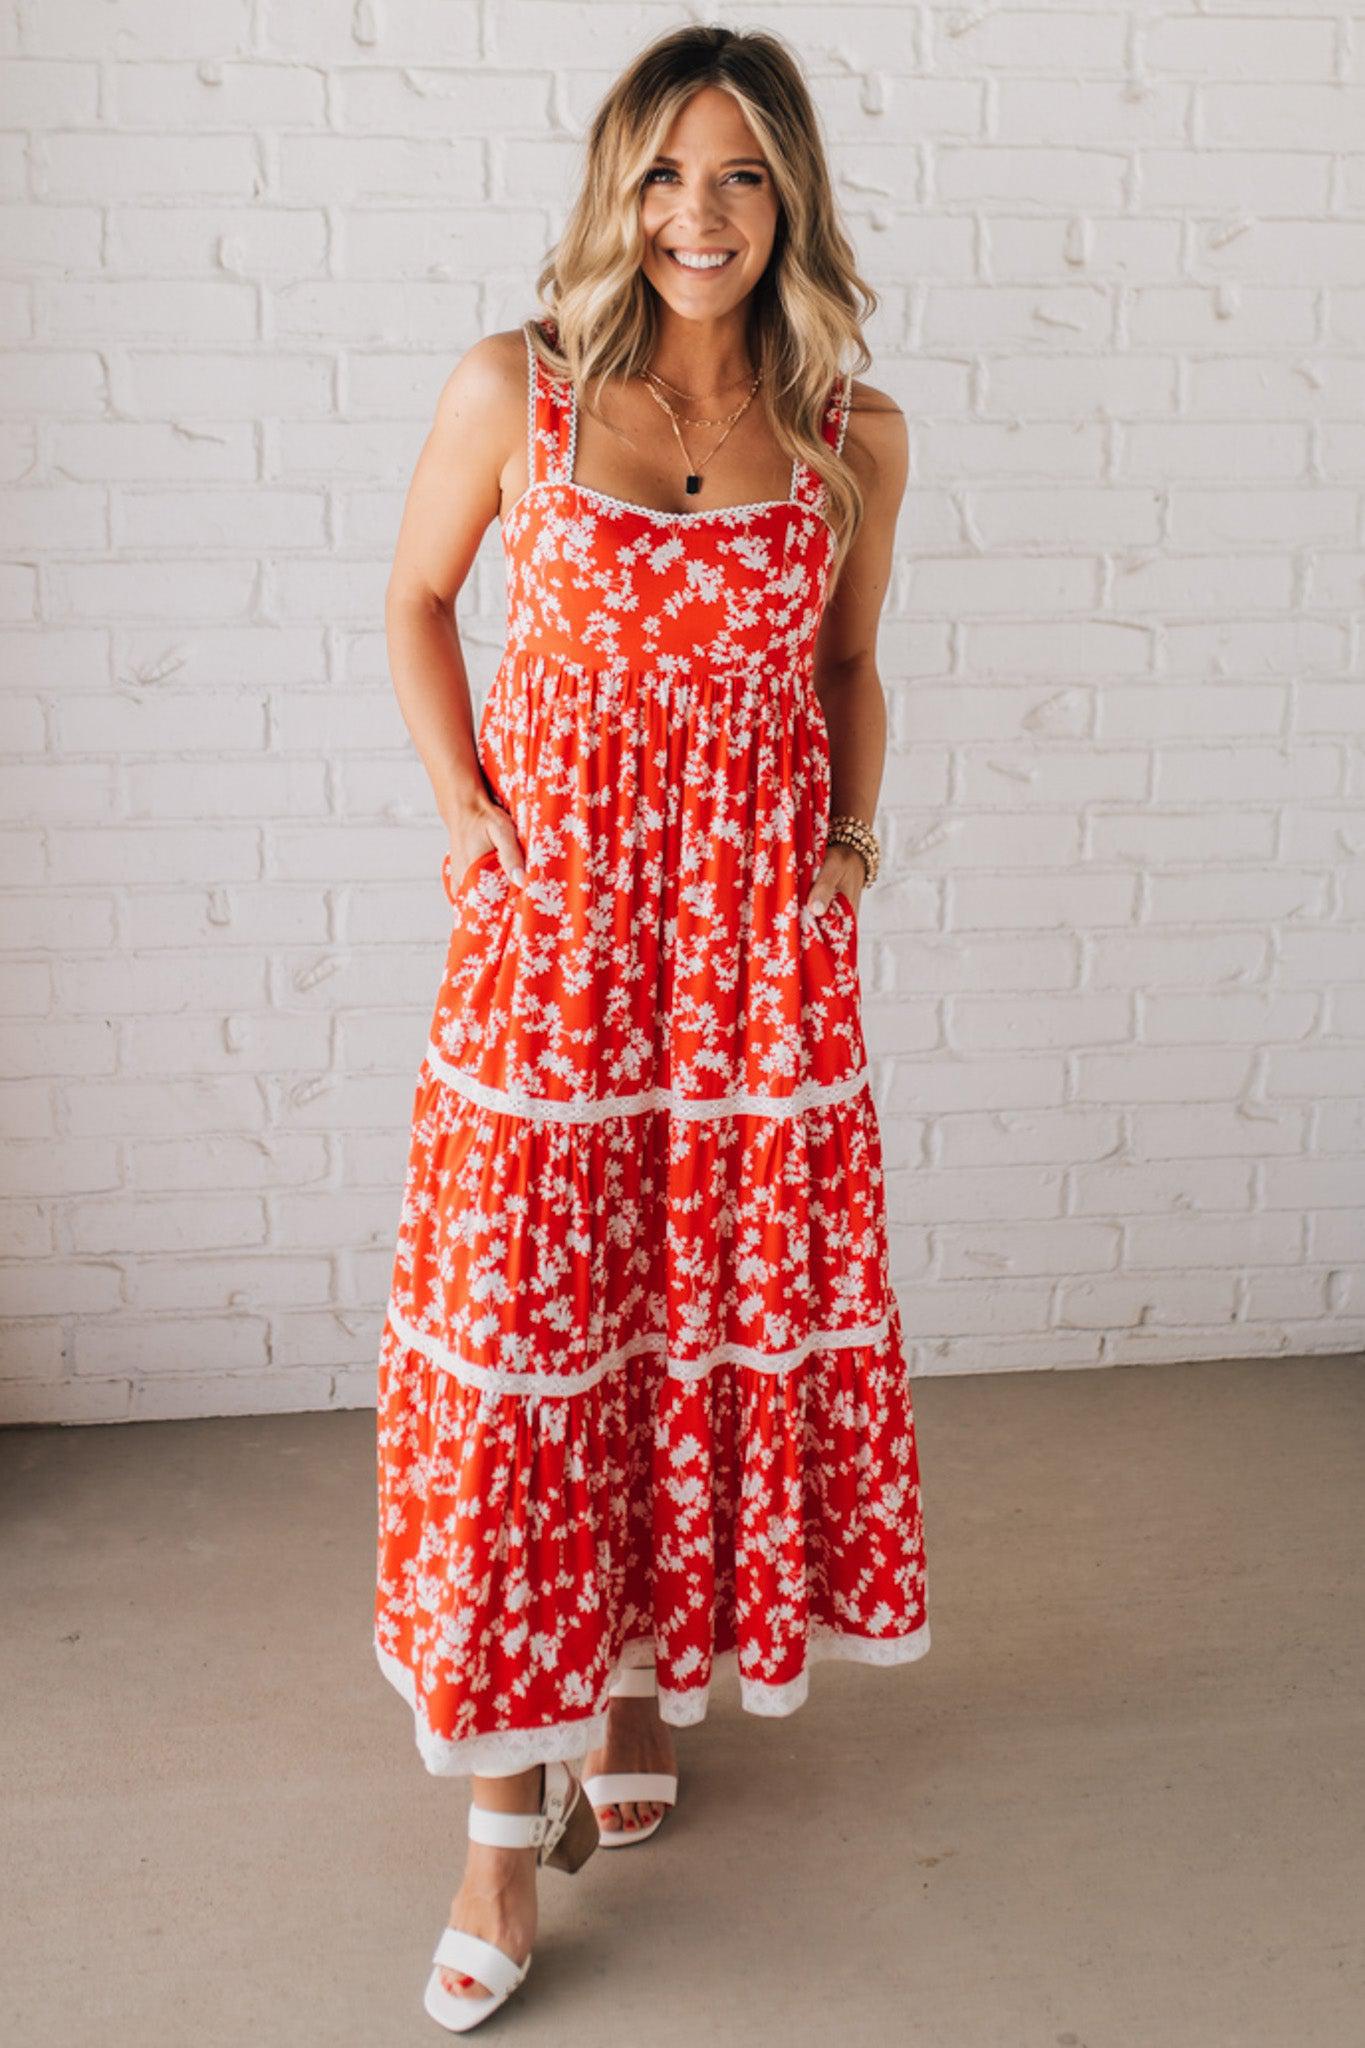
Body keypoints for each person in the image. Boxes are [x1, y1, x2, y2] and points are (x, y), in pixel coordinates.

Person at [374, 22, 930, 2032]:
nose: (700, 216)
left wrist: (847, 837)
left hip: (755, 981)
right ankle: (494, 1853)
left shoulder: (849, 432)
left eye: (742, 178)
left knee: (685, 1318)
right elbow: (417, 602)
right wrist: (464, 812)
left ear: (791, 204)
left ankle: (627, 1682)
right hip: (559, 953)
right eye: (666, 177)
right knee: (534, 1342)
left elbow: (851, 665)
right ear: (617, 193)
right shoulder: (511, 393)